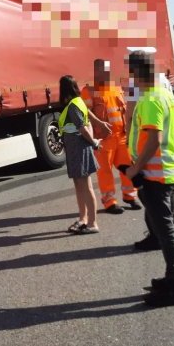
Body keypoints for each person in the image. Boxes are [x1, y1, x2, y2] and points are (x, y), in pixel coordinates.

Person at [124, 51, 174, 306]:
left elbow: (154, 138)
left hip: (155, 175)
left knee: (165, 230)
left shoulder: (150, 99)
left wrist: (135, 167)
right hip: (168, 170)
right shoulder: (167, 95)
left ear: (136, 73)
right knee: (172, 225)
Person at [81, 58, 141, 214]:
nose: (106, 73)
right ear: (96, 72)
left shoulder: (116, 87)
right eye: (102, 70)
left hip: (121, 136)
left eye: (107, 70)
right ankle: (110, 202)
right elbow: (84, 111)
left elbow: (127, 106)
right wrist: (100, 124)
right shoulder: (89, 90)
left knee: (127, 167)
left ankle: (129, 196)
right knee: (105, 172)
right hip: (104, 139)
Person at [58, 75, 101, 234]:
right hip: (76, 149)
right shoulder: (78, 102)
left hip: (79, 149)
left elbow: (83, 127)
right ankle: (83, 218)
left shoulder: (73, 105)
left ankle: (92, 223)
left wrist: (93, 142)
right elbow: (88, 120)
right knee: (80, 185)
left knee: (86, 186)